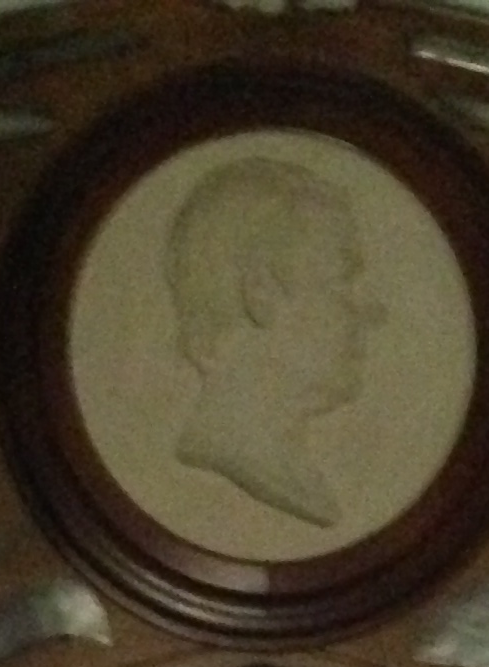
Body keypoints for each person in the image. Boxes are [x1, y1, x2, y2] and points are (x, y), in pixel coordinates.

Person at [163, 153, 382, 527]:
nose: (373, 311)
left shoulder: (295, 478)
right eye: (343, 279)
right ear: (261, 292)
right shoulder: (232, 460)